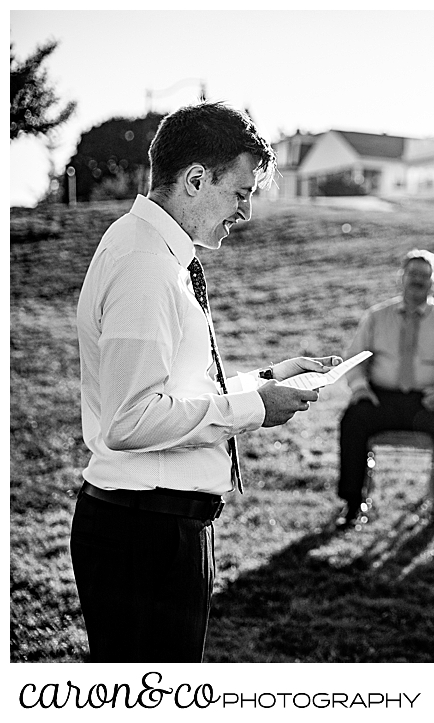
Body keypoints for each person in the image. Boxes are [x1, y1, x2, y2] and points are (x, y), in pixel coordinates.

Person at [70, 102, 339, 663]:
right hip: (141, 537)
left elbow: (175, 393)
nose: (244, 212)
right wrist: (251, 409)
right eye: (240, 192)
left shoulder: (160, 254)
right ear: (196, 179)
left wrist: (266, 381)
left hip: (159, 527)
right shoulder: (144, 262)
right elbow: (130, 419)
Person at [338, 249, 434, 530]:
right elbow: (353, 358)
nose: (418, 280)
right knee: (352, 420)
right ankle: (353, 504)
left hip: (426, 401)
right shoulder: (377, 316)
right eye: (413, 274)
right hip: (380, 398)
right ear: (402, 277)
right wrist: (360, 388)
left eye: (425, 275)